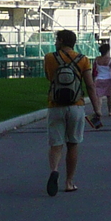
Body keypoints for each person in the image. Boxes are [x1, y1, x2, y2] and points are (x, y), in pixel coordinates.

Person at [43, 29, 96, 196]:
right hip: (76, 105)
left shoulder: (50, 58)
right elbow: (90, 85)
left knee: (56, 144)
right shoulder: (83, 59)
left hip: (55, 105)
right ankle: (69, 182)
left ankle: (54, 170)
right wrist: (97, 109)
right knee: (73, 143)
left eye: (56, 39)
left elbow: (49, 77)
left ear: (61, 40)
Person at [91, 41, 111, 117]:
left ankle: (98, 110)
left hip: (98, 79)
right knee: (109, 96)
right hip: (108, 79)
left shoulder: (97, 59)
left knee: (99, 96)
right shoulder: (110, 60)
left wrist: (93, 80)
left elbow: (94, 70)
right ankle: (110, 111)